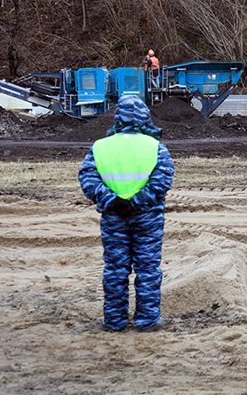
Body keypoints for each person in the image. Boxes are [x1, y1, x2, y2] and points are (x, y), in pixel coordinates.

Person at [78, 95, 174, 332]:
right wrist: (138, 202)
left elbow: (87, 178)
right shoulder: (155, 147)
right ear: (145, 117)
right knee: (148, 269)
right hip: (148, 218)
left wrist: (111, 200)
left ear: (117, 117)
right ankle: (147, 319)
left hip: (113, 217)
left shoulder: (100, 147)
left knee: (115, 269)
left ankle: (114, 320)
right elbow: (163, 180)